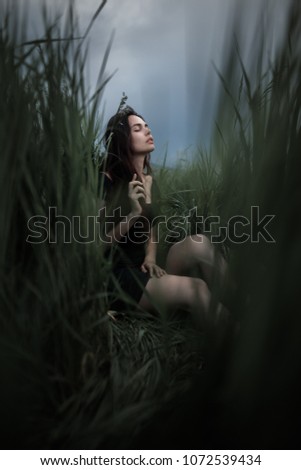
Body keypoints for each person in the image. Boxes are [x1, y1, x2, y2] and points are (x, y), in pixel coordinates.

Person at [99, 106, 229, 329]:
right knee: (196, 288)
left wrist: (150, 257)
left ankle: (246, 307)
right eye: (138, 129)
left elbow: (151, 230)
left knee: (199, 244)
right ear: (123, 140)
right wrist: (133, 214)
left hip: (144, 270)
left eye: (147, 126)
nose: (148, 131)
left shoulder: (149, 181)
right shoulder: (105, 180)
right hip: (118, 279)